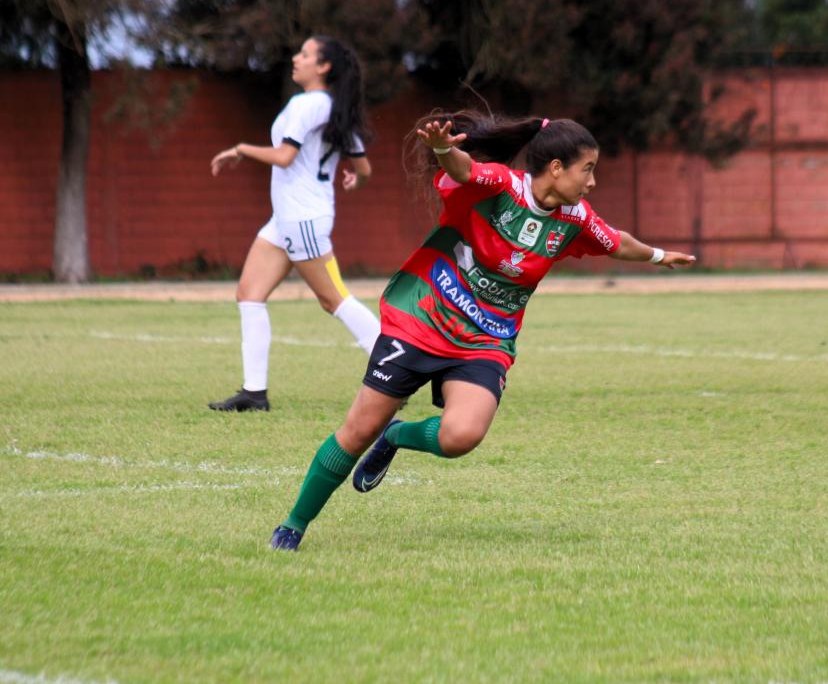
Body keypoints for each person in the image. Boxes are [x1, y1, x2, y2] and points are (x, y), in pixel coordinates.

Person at [269, 110, 697, 550]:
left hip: (486, 339)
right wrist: (440, 147)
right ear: (555, 168)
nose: (592, 182)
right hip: (424, 317)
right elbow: (463, 168)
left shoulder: (576, 218)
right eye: (587, 169)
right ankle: (294, 525)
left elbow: (616, 240)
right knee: (357, 430)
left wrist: (659, 255)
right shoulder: (502, 185)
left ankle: (396, 435)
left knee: (461, 436)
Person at [207, 36, 382, 412]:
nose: (295, 58)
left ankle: (395, 371)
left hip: (302, 219)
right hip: (287, 219)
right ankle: (254, 394)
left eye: (305, 54)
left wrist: (240, 149)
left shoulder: (308, 104)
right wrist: (355, 179)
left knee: (333, 299)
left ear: (324, 67)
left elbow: (285, 157)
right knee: (249, 294)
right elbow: (364, 168)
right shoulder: (336, 109)